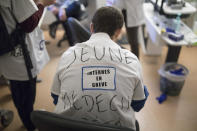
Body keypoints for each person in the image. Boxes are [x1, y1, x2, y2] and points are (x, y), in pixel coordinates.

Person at [51, 6, 148, 131]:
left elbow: (55, 97)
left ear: (91, 27)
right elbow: (138, 104)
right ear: (118, 32)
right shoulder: (132, 60)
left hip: (67, 127)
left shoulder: (68, 55)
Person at [0, 0, 55, 130]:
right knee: (25, 94)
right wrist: (42, 4)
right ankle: (30, 124)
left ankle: (28, 117)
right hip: (19, 55)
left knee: (17, 86)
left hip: (8, 51)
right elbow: (29, 23)